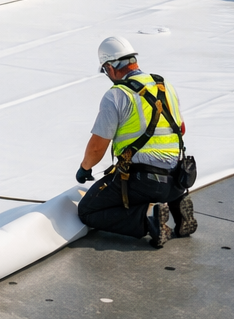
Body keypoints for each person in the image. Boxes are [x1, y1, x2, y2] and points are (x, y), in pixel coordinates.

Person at [75, 36, 198, 248]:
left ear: (110, 67)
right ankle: (177, 205)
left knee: (88, 210)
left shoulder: (116, 95)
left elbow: (97, 147)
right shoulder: (164, 85)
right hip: (178, 179)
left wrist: (85, 168)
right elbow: (181, 128)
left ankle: (149, 219)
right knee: (155, 184)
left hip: (144, 182)